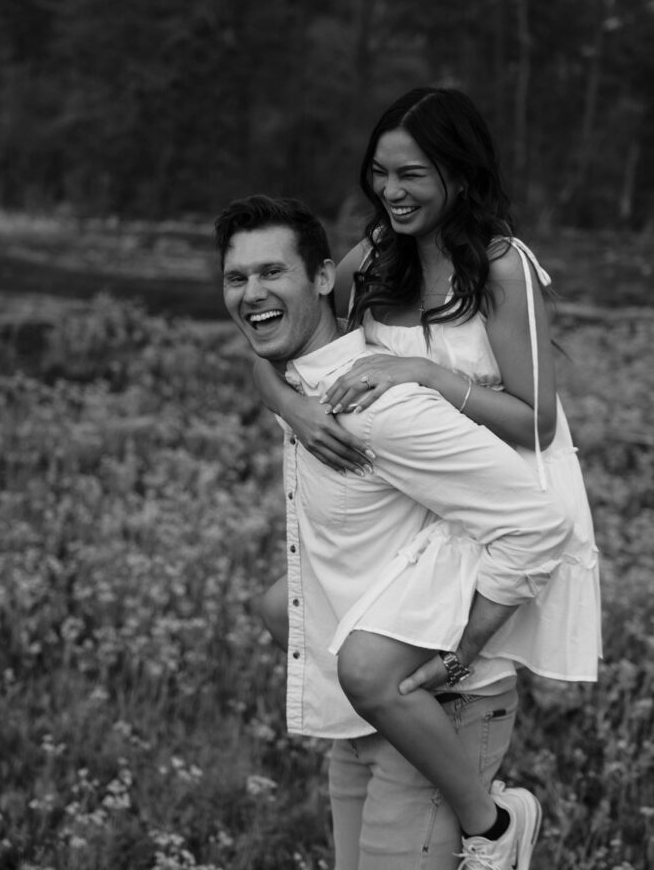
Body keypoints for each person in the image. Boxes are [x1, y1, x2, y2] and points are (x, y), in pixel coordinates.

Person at [217, 194, 575, 870]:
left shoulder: (380, 408)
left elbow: (539, 521)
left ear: (325, 279)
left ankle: (495, 824)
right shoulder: (307, 389)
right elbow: (267, 357)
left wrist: (464, 648)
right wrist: (286, 400)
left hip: (435, 705)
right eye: (237, 278)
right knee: (274, 606)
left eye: (272, 273)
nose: (252, 293)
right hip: (369, 713)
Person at [256, 86, 601, 688]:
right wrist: (294, 408)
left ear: (461, 176)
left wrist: (426, 374)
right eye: (380, 173)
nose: (391, 191)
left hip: (481, 508)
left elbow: (538, 424)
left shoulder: (500, 265)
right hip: (397, 504)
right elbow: (271, 341)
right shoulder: (374, 257)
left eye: (411, 175)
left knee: (428, 681)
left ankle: (476, 776)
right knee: (282, 612)